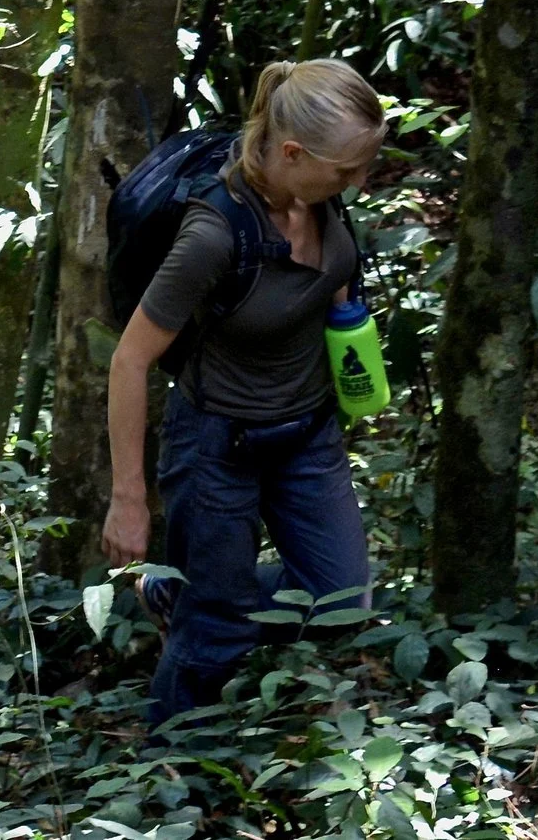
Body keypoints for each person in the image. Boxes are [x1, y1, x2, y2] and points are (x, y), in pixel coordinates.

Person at [104, 59, 385, 732]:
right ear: (292, 153)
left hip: (307, 434)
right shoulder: (213, 234)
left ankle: (181, 588)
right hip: (217, 446)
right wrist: (129, 498)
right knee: (220, 631)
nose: (359, 183)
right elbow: (129, 359)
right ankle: (170, 769)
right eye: (347, 171)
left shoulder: (322, 194)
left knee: (340, 597)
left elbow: (330, 281)